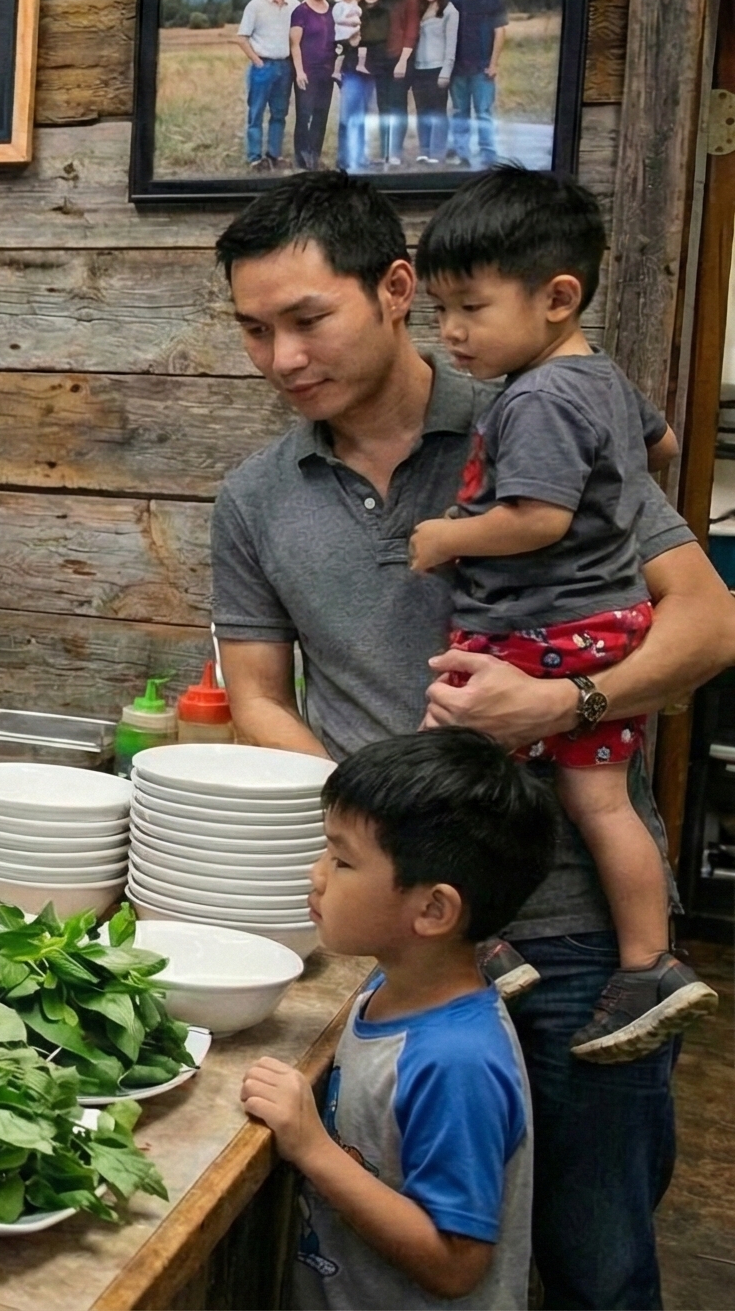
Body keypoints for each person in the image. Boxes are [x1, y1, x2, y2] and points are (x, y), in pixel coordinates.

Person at [206, 170, 735, 1308]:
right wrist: (385, 825)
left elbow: (707, 622)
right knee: (415, 1256)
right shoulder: (255, 496)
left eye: (307, 320)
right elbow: (256, 697)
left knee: (595, 1263)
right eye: (254, 331)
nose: (282, 359)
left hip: (572, 927)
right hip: (402, 942)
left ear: (396, 289)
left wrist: (566, 706)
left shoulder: (539, 414)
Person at [408, 168, 717, 1058]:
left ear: (557, 296)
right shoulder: (602, 378)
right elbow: (657, 444)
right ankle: (649, 962)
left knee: (450, 769)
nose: (452, 334)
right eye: (442, 310)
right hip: (606, 623)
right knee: (599, 799)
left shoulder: (537, 396)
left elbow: (537, 517)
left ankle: (478, 935)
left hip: (536, 631)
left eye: (470, 307)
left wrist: (449, 538)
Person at [243, 728, 553, 1310]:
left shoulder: (455, 1061)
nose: (317, 874)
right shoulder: (392, 988)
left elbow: (455, 1264)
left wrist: (312, 1147)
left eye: (341, 860)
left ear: (433, 909)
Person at [450, 0, 510, 167]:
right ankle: (462, 153)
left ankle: (487, 154)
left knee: (484, 112)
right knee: (459, 112)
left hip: (482, 66)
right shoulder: (453, 0)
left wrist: (493, 63)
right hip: (457, 68)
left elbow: (500, 32)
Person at [238, 0, 299, 171]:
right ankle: (255, 158)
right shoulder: (255, 5)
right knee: (256, 113)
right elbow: (242, 38)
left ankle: (274, 154)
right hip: (263, 67)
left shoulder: (295, 6)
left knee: (280, 113)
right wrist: (257, 62)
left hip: (285, 67)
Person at [289, 0, 339, 170]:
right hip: (307, 71)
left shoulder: (333, 10)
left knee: (321, 114)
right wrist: (299, 71)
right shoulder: (301, 11)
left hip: (327, 71)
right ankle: (302, 158)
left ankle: (315, 155)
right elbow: (294, 44)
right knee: (305, 115)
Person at [376, 0, 420, 168]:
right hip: (381, 60)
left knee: (397, 106)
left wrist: (403, 61)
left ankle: (395, 152)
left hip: (400, 59)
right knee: (382, 106)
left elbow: (412, 31)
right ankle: (384, 151)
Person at [410, 0, 456, 166]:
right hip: (418, 69)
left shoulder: (450, 11)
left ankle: (437, 152)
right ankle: (424, 151)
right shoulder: (419, 10)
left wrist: (446, 72)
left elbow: (451, 45)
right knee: (422, 111)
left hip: (438, 69)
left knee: (438, 112)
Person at [333, 0, 372, 173]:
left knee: (363, 114)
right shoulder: (339, 7)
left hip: (367, 69)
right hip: (347, 56)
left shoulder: (360, 7)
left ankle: (359, 156)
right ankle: (344, 159)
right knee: (348, 115)